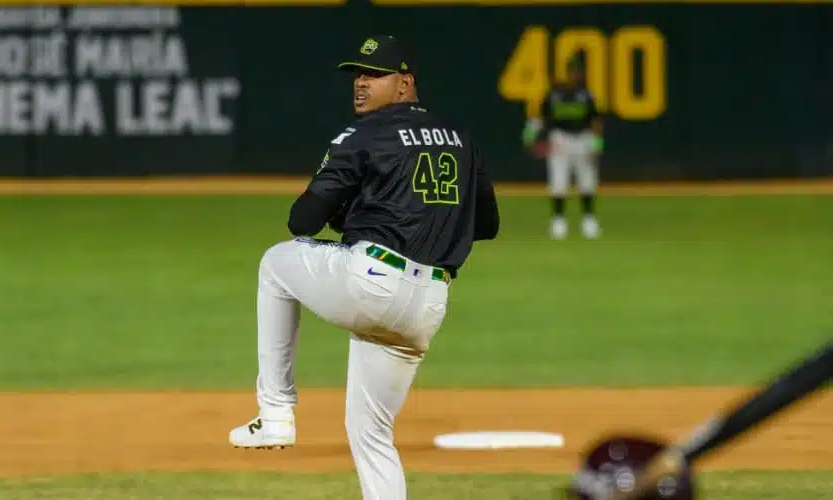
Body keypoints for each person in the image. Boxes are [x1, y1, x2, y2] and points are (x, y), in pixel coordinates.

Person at [228, 35, 500, 500]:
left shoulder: (362, 136)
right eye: (358, 74)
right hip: (428, 305)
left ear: (404, 83)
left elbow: (303, 220)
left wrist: (350, 214)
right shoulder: (459, 138)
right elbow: (488, 224)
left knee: (275, 263)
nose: (360, 83)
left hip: (371, 281)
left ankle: (274, 412)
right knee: (372, 436)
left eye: (374, 74)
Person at [522, 57, 604, 239]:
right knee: (558, 182)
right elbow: (539, 119)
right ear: (566, 74)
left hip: (583, 138)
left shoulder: (586, 95)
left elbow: (595, 121)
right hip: (560, 139)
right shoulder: (553, 95)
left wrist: (597, 144)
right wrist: (528, 137)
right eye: (572, 72)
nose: (574, 76)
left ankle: (588, 220)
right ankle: (558, 221)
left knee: (587, 181)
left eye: (577, 73)